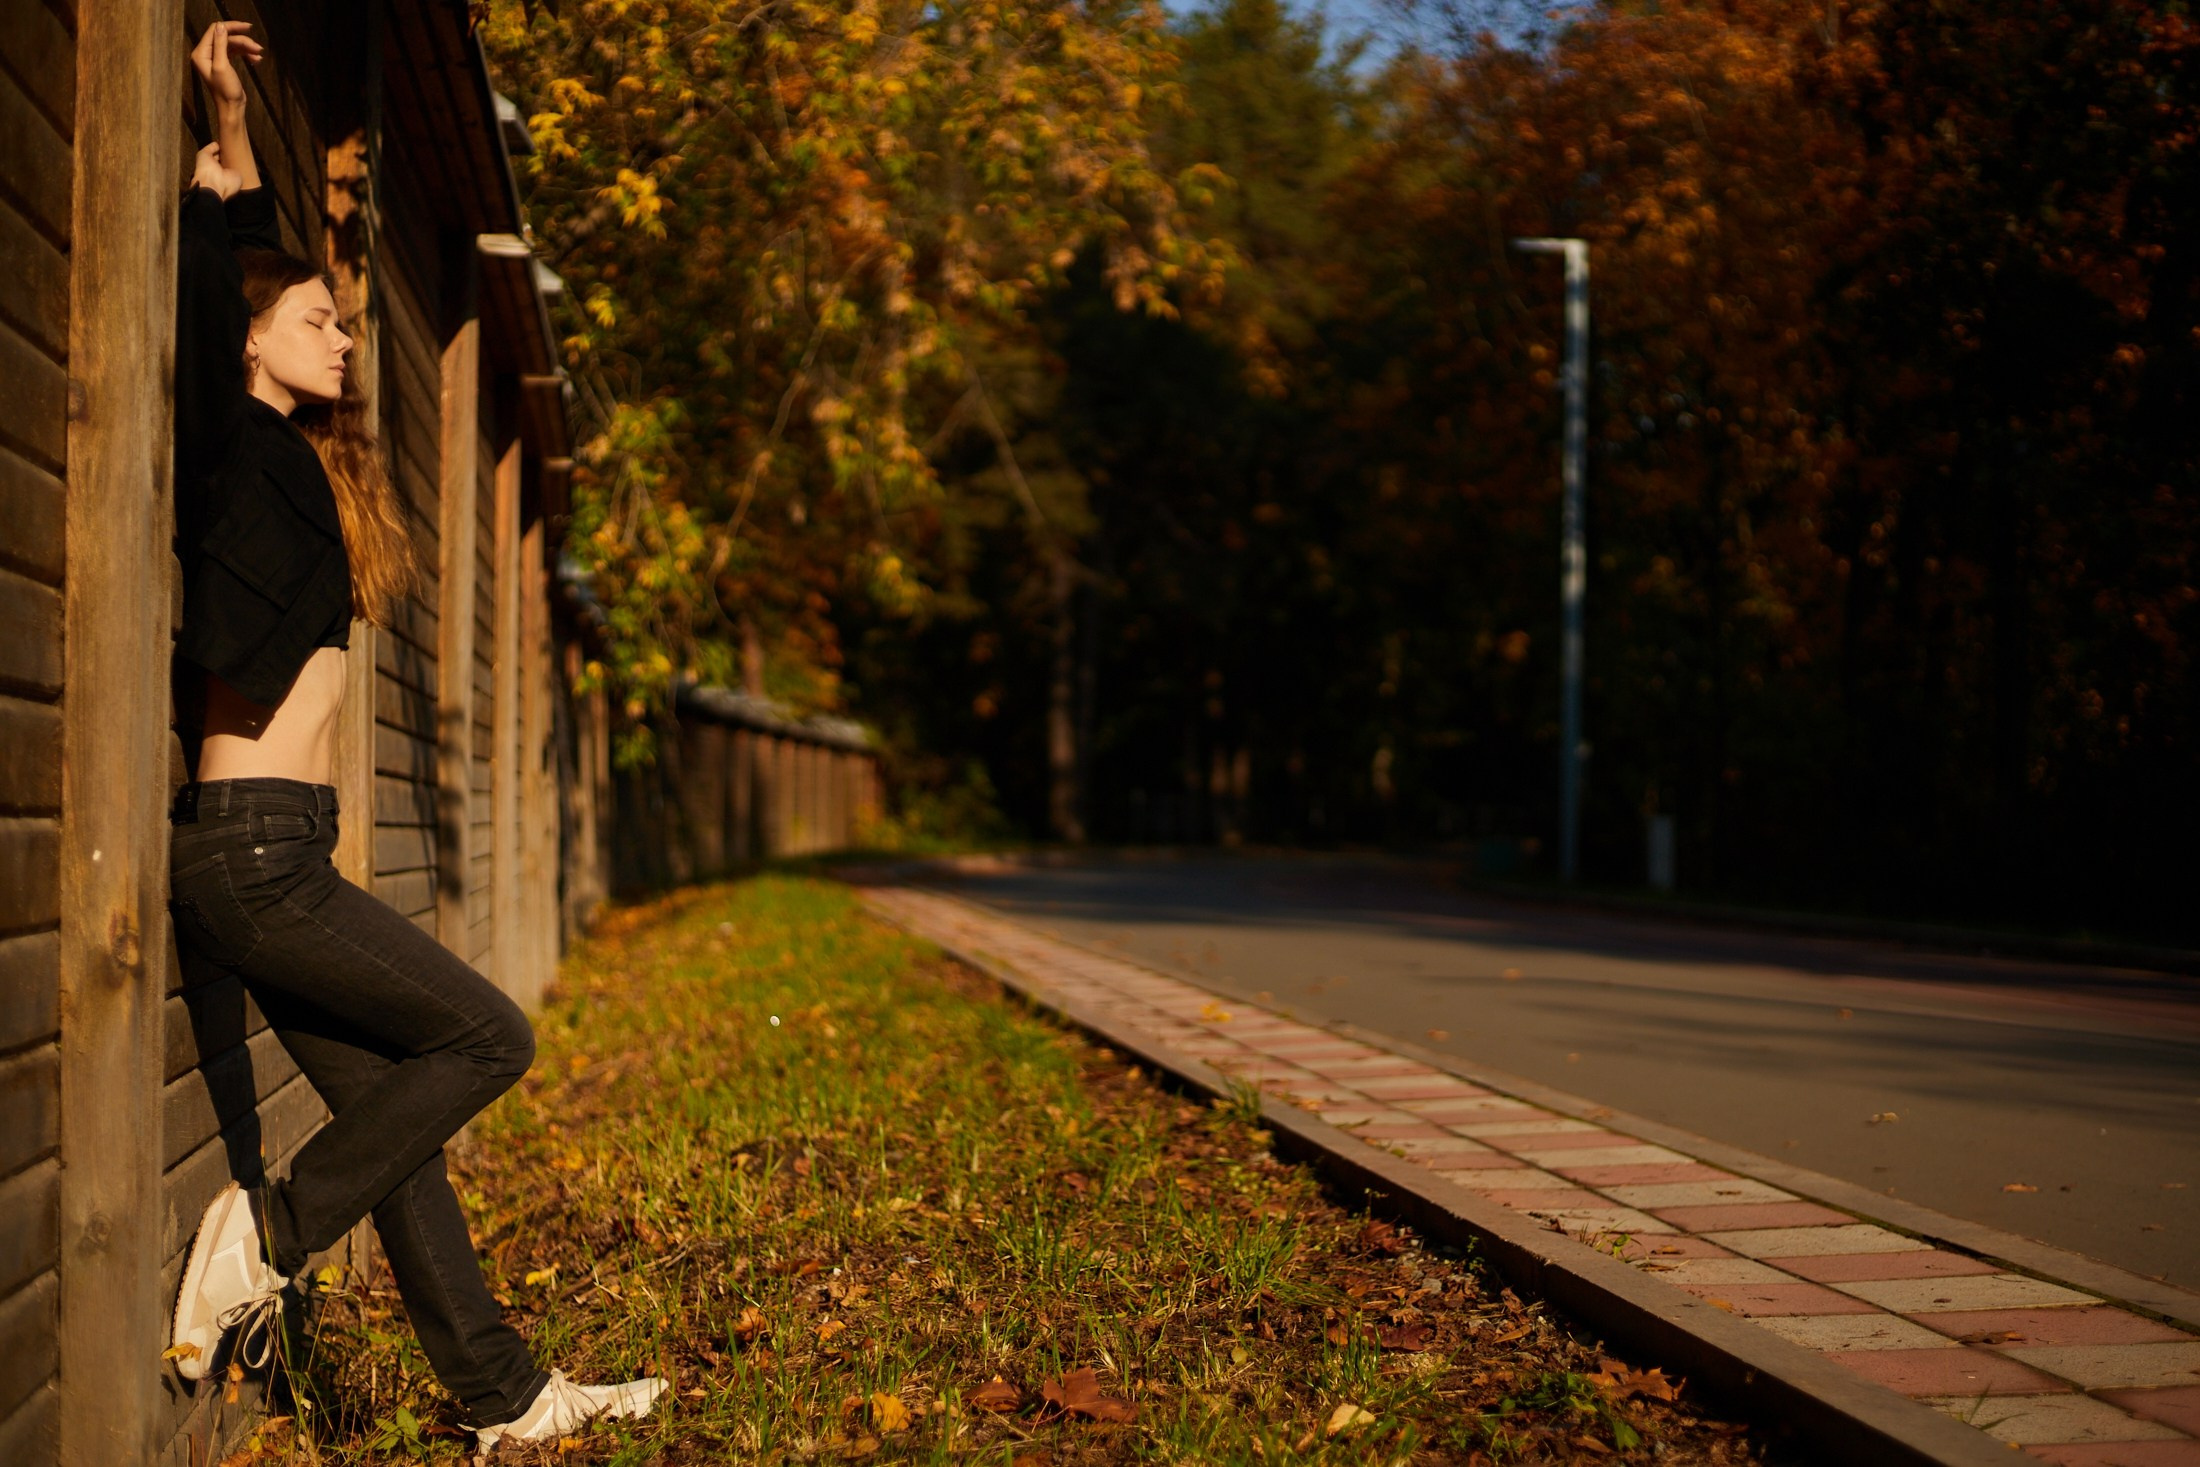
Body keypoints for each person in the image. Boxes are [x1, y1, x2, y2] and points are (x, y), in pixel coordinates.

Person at [164, 22, 663, 1455]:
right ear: (253, 334)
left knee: (402, 1125)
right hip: (256, 860)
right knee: (488, 1034)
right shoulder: (231, 449)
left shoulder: (300, 482)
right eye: (319, 317)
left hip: (282, 853)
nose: (342, 332)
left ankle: (502, 1399)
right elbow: (214, 298)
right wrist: (232, 152)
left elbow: (253, 302)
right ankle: (264, 1230)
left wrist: (252, 177)